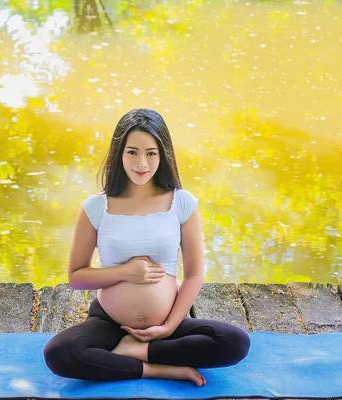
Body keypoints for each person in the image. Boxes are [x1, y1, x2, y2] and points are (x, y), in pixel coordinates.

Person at [43, 108, 250, 386]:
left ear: (163, 154)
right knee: (58, 353)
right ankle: (159, 368)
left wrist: (167, 327)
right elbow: (76, 277)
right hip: (111, 324)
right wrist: (126, 272)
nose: (141, 163)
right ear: (119, 153)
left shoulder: (182, 202)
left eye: (151, 153)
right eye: (132, 152)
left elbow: (193, 275)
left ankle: (137, 352)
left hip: (167, 323)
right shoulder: (96, 206)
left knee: (235, 343)